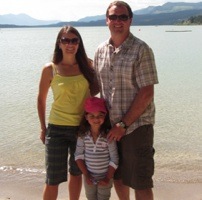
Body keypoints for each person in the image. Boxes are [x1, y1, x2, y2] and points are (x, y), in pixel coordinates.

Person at [94, 1, 159, 200]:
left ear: (130, 20)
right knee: (119, 177)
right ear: (107, 20)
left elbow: (147, 92)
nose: (118, 21)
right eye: (113, 17)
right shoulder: (100, 50)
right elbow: (97, 87)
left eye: (123, 17)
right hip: (110, 127)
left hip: (136, 127)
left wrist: (123, 124)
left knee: (140, 181)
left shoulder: (141, 49)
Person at [37, 25, 99, 200]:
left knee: (76, 172)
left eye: (74, 40)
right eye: (65, 40)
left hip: (81, 129)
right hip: (56, 129)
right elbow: (41, 100)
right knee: (52, 178)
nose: (70, 44)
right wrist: (43, 128)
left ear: (79, 43)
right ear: (59, 43)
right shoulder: (50, 69)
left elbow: (94, 91)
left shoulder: (88, 65)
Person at [75, 97, 119, 200]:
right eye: (92, 116)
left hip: (106, 176)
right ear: (86, 117)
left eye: (100, 115)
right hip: (88, 175)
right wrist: (86, 175)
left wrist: (108, 177)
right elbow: (78, 156)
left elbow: (114, 159)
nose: (96, 119)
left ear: (105, 116)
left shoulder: (108, 135)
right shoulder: (82, 135)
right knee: (90, 198)